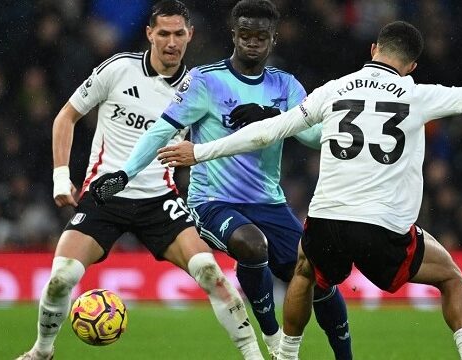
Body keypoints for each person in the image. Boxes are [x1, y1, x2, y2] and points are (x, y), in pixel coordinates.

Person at [153, 22, 462, 360]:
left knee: (305, 272)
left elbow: (269, 131)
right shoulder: (417, 94)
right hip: (382, 227)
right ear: (411, 66)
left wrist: (200, 151)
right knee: (451, 277)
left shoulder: (334, 89)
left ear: (373, 49)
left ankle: (286, 355)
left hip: (326, 222)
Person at [89, 0, 352, 359]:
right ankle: (273, 340)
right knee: (252, 245)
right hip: (213, 202)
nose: (252, 42)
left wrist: (274, 116)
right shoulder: (206, 81)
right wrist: (125, 172)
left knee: (318, 277)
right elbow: (160, 131)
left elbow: (311, 136)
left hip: (268, 202)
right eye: (245, 34)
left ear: (272, 40)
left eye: (261, 36)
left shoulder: (285, 85)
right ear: (234, 35)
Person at [16, 2, 263, 359]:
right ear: (150, 34)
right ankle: (42, 351)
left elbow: (219, 144)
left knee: (212, 274)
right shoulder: (119, 69)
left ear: (190, 35)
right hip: (105, 196)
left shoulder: (200, 88)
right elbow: (66, 117)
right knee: (60, 279)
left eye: (179, 33)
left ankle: (254, 357)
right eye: (163, 33)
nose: (171, 42)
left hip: (159, 199)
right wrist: (60, 177)